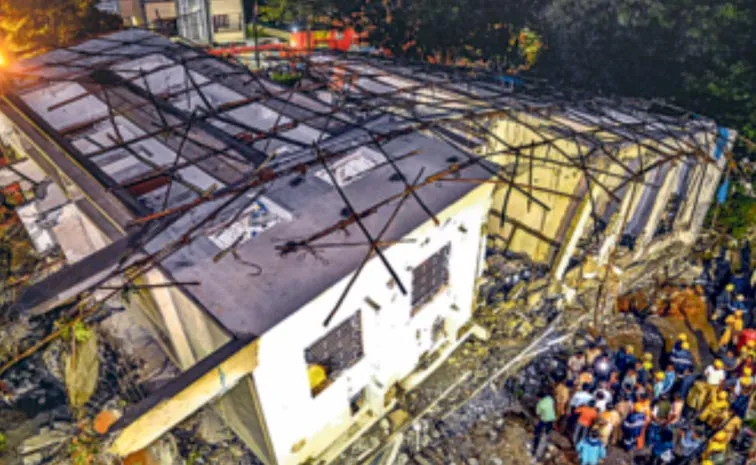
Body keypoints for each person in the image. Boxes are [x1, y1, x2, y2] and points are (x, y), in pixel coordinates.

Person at [533, 390, 556, 456]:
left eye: (537, 397)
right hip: (552, 418)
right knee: (547, 433)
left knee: (537, 433)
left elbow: (538, 414)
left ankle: (535, 448)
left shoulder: (539, 404)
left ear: (539, 397)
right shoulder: (549, 398)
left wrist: (540, 418)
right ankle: (545, 439)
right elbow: (553, 404)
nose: (536, 399)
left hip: (544, 420)